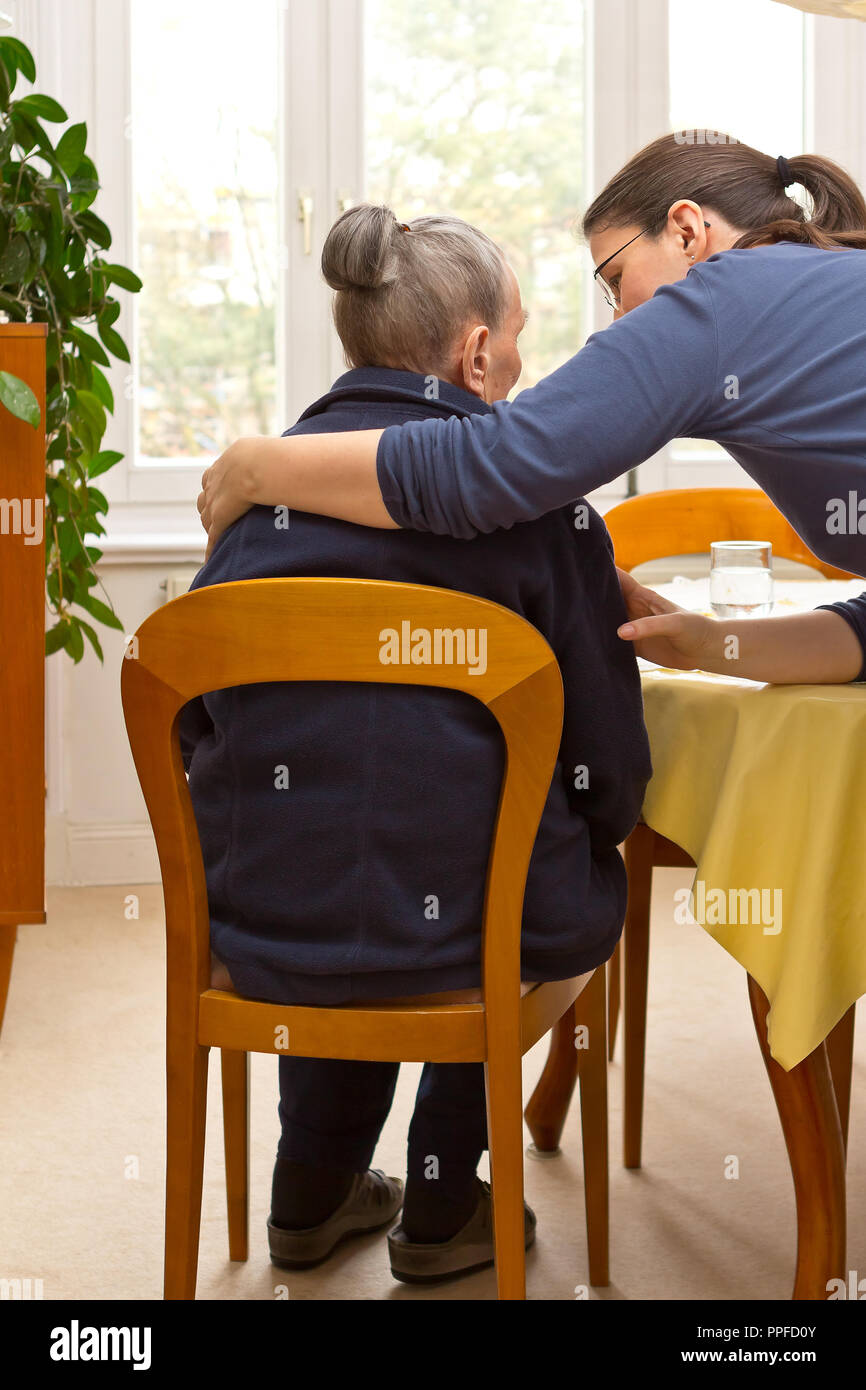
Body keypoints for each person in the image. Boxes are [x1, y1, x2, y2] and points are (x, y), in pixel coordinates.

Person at [180, 205, 652, 1283]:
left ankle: (310, 1188)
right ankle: (444, 1200)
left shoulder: (250, 504)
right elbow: (607, 761)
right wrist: (596, 827)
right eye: (523, 333)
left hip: (264, 924)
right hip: (468, 938)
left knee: (345, 844)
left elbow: (193, 720)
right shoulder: (540, 509)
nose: (527, 362)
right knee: (504, 871)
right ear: (476, 351)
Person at [196, 133, 866, 684]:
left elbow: (490, 465)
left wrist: (258, 465)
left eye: (614, 282)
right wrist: (713, 644)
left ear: (687, 230)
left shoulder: (723, 299)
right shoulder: (812, 294)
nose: (620, 323)